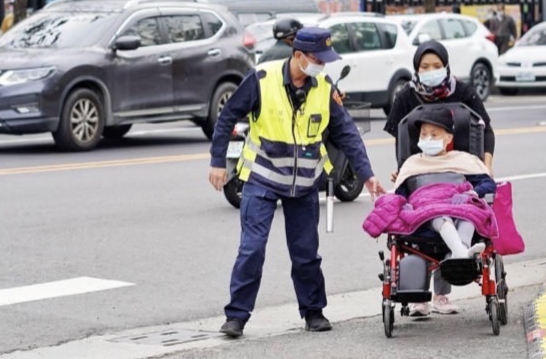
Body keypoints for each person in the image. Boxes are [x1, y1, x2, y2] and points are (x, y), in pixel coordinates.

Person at [208, 26, 386, 338]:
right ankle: (236, 316)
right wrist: (217, 162)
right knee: (252, 249)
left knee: (305, 252)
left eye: (325, 60)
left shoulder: (323, 87)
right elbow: (227, 118)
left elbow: (346, 132)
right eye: (318, 59)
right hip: (261, 177)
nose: (322, 65)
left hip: (303, 182)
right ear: (299, 55)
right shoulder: (262, 79)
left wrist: (368, 175)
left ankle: (313, 311)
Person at [383, 39, 496, 316]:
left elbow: (486, 130)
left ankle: (445, 290)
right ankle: (419, 295)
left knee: (466, 211)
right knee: (423, 214)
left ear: (446, 66)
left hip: (457, 169)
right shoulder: (406, 96)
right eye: (424, 66)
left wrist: (484, 166)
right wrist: (405, 171)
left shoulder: (464, 93)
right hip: (421, 171)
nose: (430, 70)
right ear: (416, 68)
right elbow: (401, 138)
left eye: (436, 65)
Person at [363, 108, 496, 260]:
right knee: (439, 213)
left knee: (470, 212)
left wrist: (472, 194)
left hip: (458, 203)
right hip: (427, 210)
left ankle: (461, 252)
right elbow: (401, 195)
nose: (428, 139)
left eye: (434, 135)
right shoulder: (412, 163)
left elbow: (487, 184)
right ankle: (461, 254)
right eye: (424, 134)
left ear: (449, 138)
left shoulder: (464, 160)